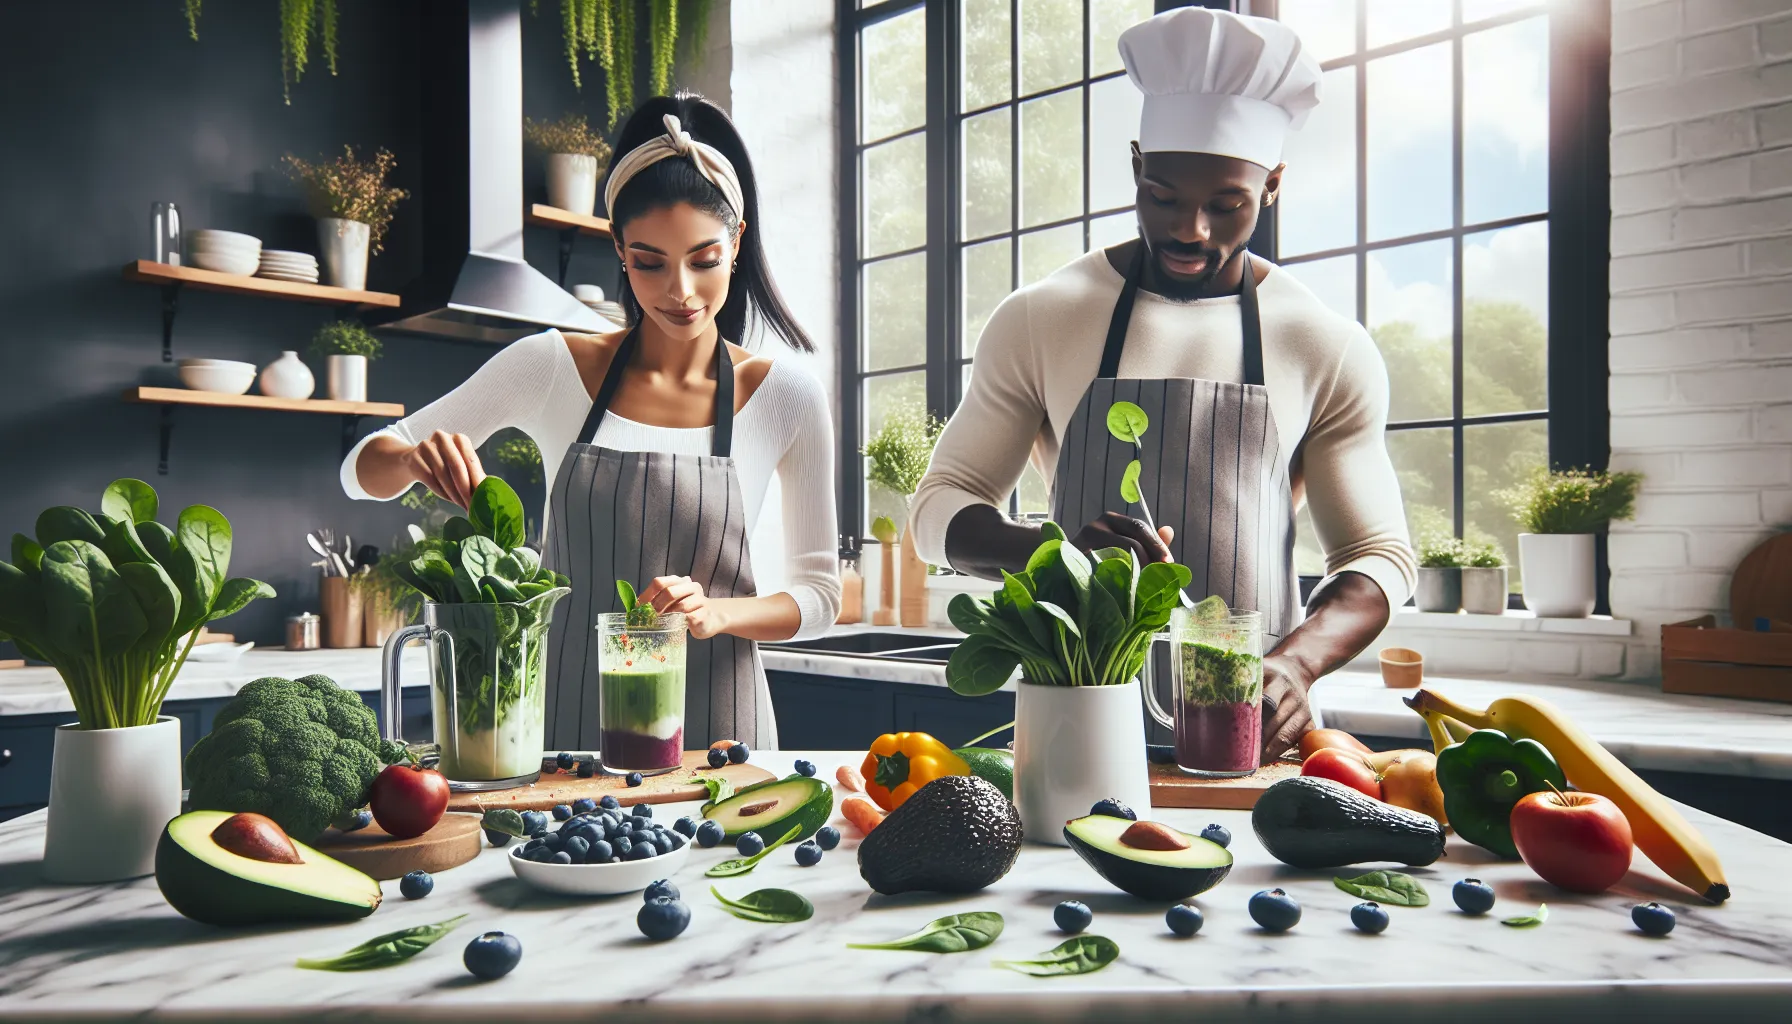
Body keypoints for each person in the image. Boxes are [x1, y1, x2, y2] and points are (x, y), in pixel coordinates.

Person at [909, 9, 1414, 759]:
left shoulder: (1323, 342)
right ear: (1138, 166)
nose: (1192, 230)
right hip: (1072, 714)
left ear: (1271, 186)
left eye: (1225, 205)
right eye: (1167, 196)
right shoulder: (1042, 317)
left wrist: (1297, 664)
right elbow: (936, 510)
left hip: (1253, 728)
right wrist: (1055, 555)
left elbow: (1379, 556)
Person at [343, 92, 839, 751]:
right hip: (568, 733)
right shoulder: (551, 366)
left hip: (724, 736)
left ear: (736, 242)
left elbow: (820, 597)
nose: (680, 292)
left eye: (704, 259)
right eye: (650, 262)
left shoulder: (786, 395)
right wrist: (409, 460)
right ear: (619, 250)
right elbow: (360, 470)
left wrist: (718, 613)